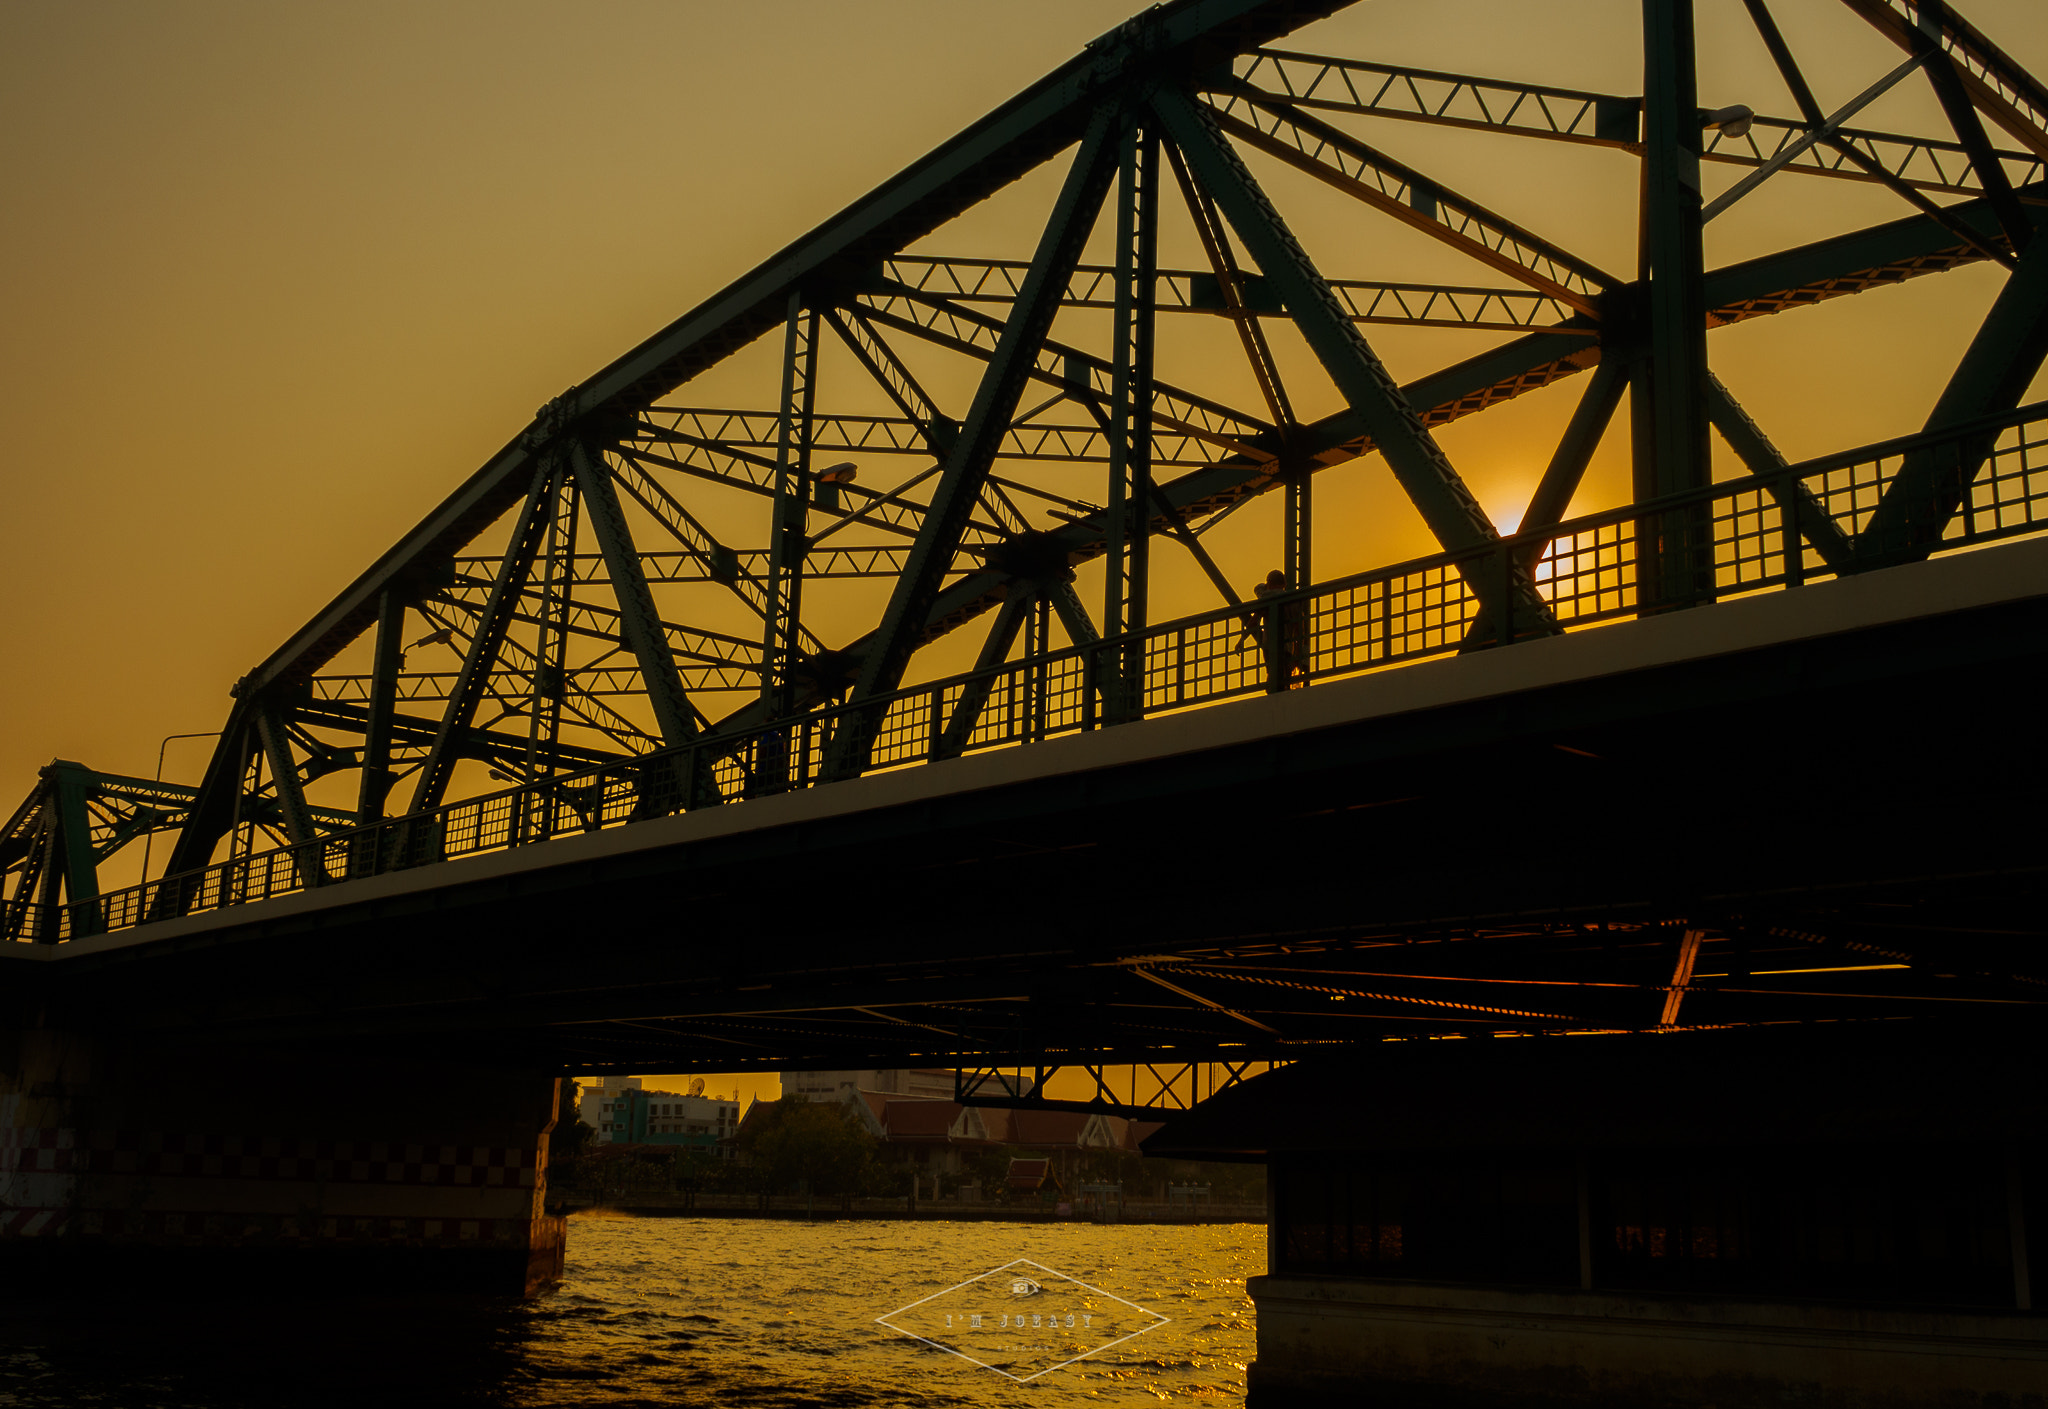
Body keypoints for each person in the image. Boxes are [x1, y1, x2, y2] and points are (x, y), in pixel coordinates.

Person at [1251, 569, 1307, 683]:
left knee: (1272, 672)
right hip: (1286, 645)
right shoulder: (1292, 601)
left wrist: (1241, 639)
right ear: (1284, 584)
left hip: (1269, 644)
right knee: (1285, 673)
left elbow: (1253, 621)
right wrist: (1297, 653)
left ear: (1269, 584)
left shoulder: (1266, 597)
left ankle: (1272, 686)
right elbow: (1299, 630)